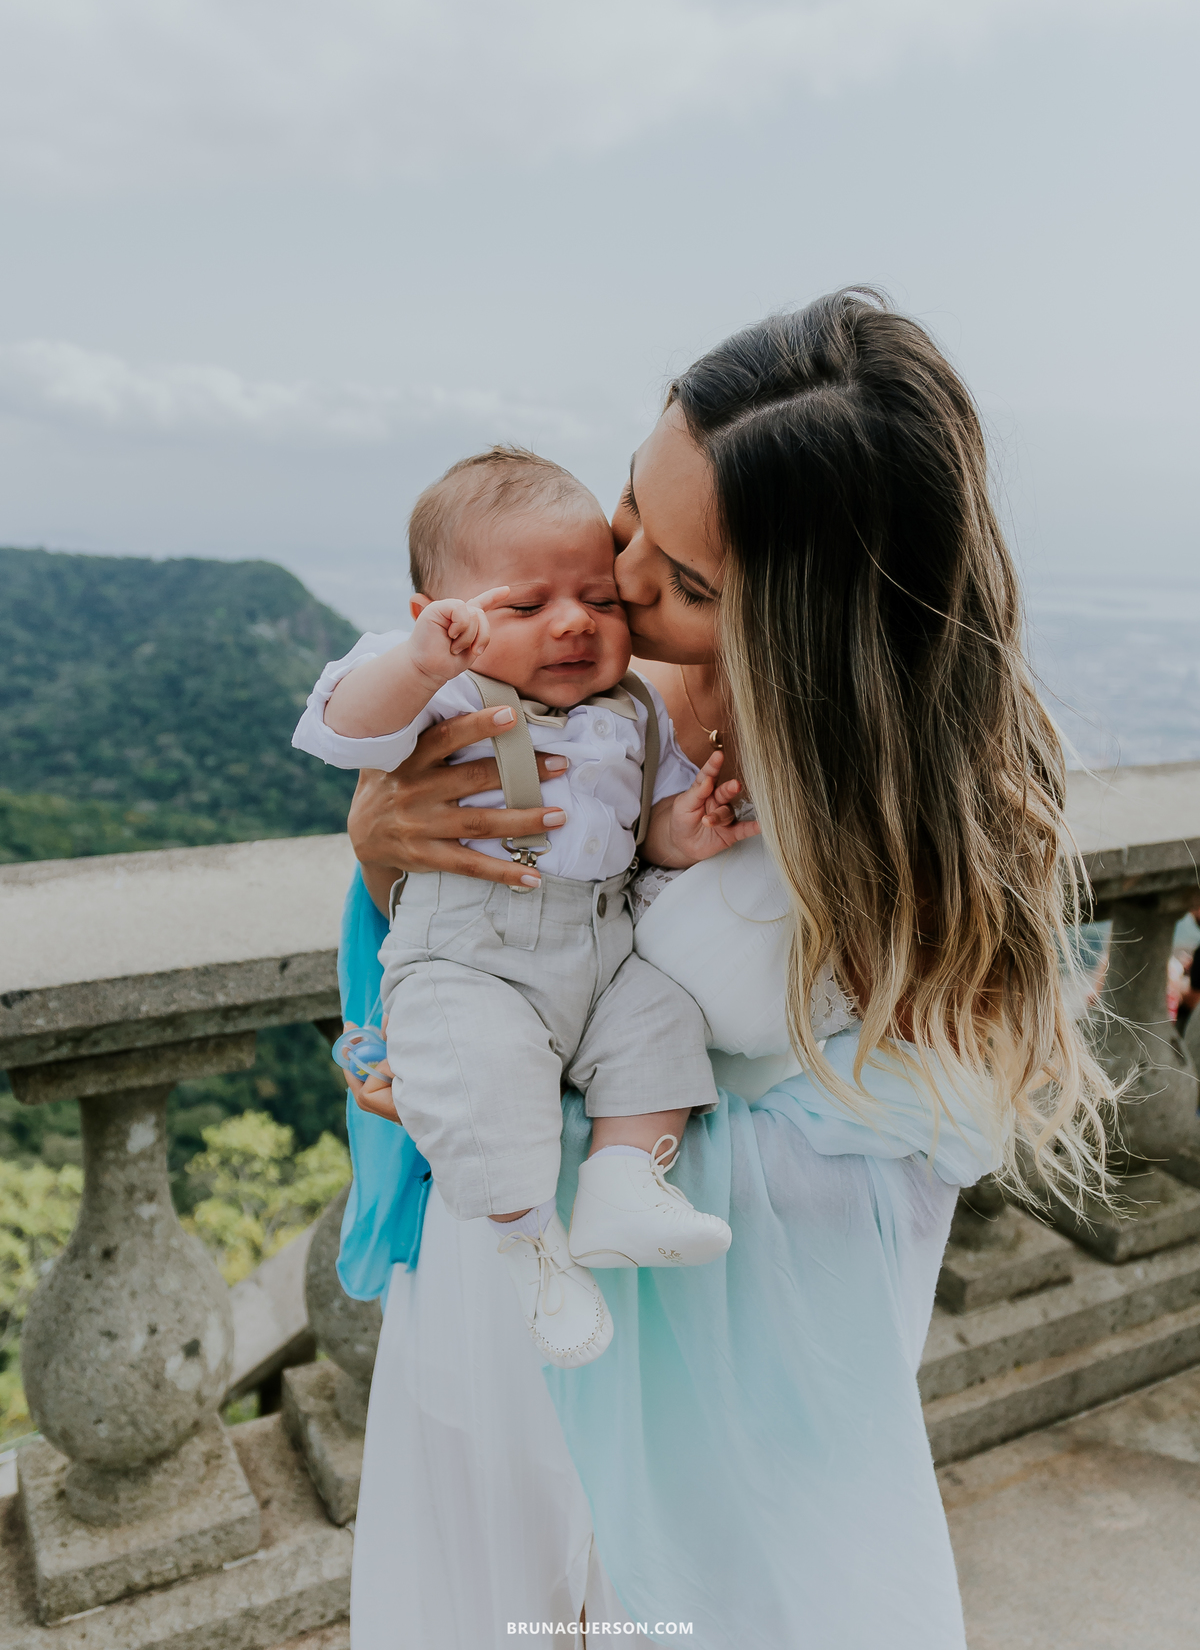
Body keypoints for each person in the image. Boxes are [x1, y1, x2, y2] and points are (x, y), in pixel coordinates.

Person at [336, 290, 1114, 1649]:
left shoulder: (908, 831)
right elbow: (460, 912)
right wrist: (377, 843)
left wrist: (575, 1119)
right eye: (634, 510)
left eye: (687, 582)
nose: (620, 585)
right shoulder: (582, 693)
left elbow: (889, 1163)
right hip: (495, 1291)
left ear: (812, 622)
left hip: (705, 1374)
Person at [292, 448, 745, 1367]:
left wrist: (682, 832)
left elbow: (641, 829)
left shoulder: (633, 713)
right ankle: (531, 1245)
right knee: (487, 1076)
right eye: (528, 607)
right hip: (474, 954)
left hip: (600, 949)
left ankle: (625, 1178)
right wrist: (418, 664)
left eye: (599, 601)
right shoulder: (447, 684)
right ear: (440, 616)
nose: (575, 623)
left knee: (663, 1024)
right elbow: (341, 729)